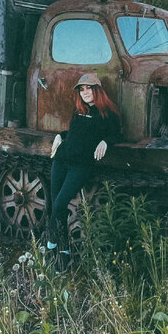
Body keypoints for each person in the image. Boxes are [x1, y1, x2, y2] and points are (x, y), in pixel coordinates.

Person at [46, 73, 121, 254]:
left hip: (80, 166)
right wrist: (59, 136)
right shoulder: (79, 110)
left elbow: (117, 134)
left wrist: (105, 142)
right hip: (61, 159)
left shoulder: (108, 113)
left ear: (97, 90)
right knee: (55, 203)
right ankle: (63, 248)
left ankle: (50, 239)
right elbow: (73, 134)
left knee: (60, 204)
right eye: (81, 90)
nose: (85, 93)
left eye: (88, 89)